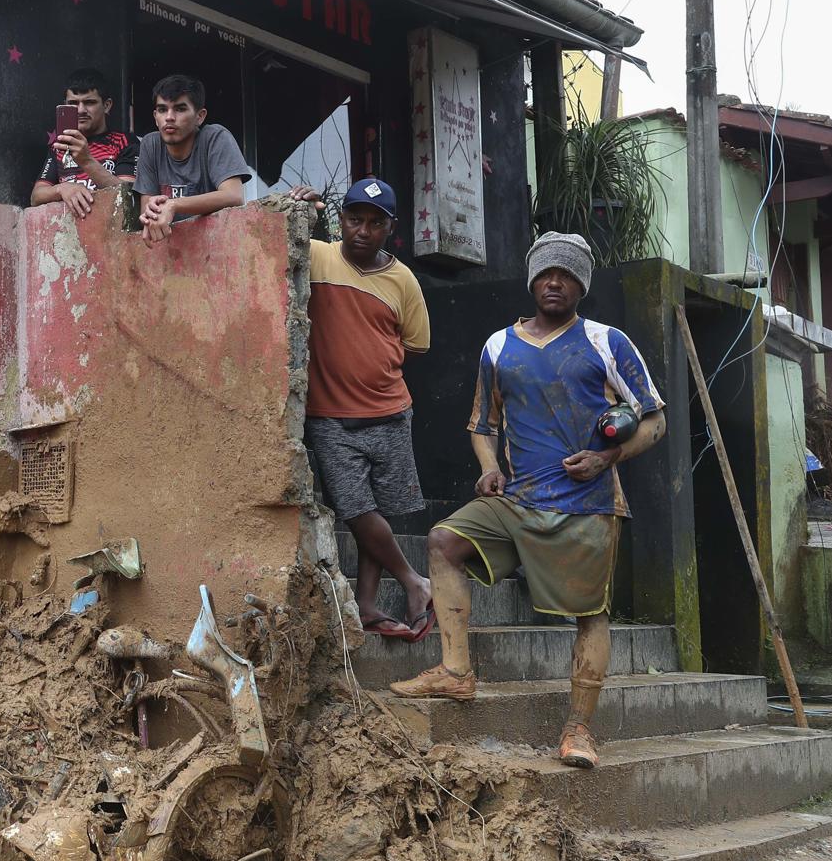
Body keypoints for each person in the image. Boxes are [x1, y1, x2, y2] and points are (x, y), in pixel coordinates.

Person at [390, 232, 666, 770]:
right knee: (444, 540)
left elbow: (654, 419)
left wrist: (607, 459)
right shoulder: (498, 346)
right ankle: (455, 672)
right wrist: (489, 468)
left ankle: (579, 727)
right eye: (545, 273)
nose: (554, 282)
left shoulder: (607, 341)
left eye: (566, 274)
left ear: (581, 285)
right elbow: (482, 425)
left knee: (590, 614)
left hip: (586, 505)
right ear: (532, 280)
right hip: (516, 500)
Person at [285, 178, 433, 640]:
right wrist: (302, 208)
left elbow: (416, 343)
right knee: (356, 510)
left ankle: (367, 605)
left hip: (390, 412)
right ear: (341, 219)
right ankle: (415, 581)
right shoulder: (318, 255)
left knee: (379, 512)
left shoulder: (403, 279)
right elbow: (270, 241)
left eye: (375, 222)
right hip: (330, 416)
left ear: (389, 227)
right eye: (354, 219)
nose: (363, 231)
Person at [134, 74, 250, 246]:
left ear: (200, 116)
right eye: (162, 109)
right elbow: (147, 208)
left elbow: (233, 196)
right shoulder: (150, 144)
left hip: (219, 246)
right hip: (171, 252)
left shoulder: (215, 137)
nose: (169, 117)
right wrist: (151, 213)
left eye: (180, 109)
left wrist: (174, 205)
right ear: (155, 116)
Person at [29, 67, 138, 218]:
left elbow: (129, 195)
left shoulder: (125, 141)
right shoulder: (60, 145)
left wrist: (86, 161)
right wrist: (62, 189)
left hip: (111, 231)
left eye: (89, 102)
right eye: (73, 103)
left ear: (107, 105)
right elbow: (36, 197)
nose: (81, 110)